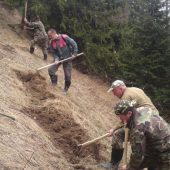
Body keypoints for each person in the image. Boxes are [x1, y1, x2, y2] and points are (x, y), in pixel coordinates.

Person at [100, 80, 158, 170]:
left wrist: (113, 129)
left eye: (114, 91)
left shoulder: (126, 97)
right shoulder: (135, 89)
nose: (114, 94)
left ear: (120, 88)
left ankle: (114, 165)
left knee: (119, 135)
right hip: (155, 120)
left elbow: (124, 118)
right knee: (148, 147)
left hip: (144, 123)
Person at [114, 100, 170, 170]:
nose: (121, 120)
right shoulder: (143, 109)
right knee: (137, 165)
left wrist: (128, 167)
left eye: (122, 118)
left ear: (129, 113)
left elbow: (138, 154)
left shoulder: (137, 129)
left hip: (166, 152)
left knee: (134, 165)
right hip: (156, 147)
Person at [47, 29, 78, 94]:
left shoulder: (64, 37)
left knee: (67, 76)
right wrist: (56, 59)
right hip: (59, 58)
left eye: (50, 35)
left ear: (54, 33)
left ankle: (65, 90)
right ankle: (54, 83)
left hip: (67, 58)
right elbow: (54, 52)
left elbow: (74, 44)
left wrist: (74, 53)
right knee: (50, 70)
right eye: (49, 36)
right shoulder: (51, 42)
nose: (50, 37)